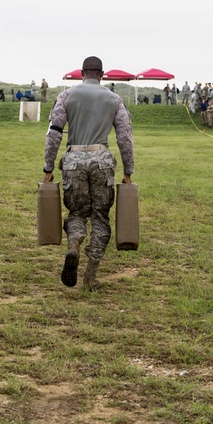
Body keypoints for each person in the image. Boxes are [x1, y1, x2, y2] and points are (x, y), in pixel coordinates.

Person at [43, 56, 134, 291]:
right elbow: (124, 137)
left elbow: (54, 133)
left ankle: (73, 245)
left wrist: (48, 167)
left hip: (73, 161)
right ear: (101, 75)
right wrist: (128, 170)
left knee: (77, 212)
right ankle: (90, 276)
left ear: (82, 73)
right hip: (102, 160)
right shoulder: (114, 99)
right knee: (100, 217)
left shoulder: (66, 96)